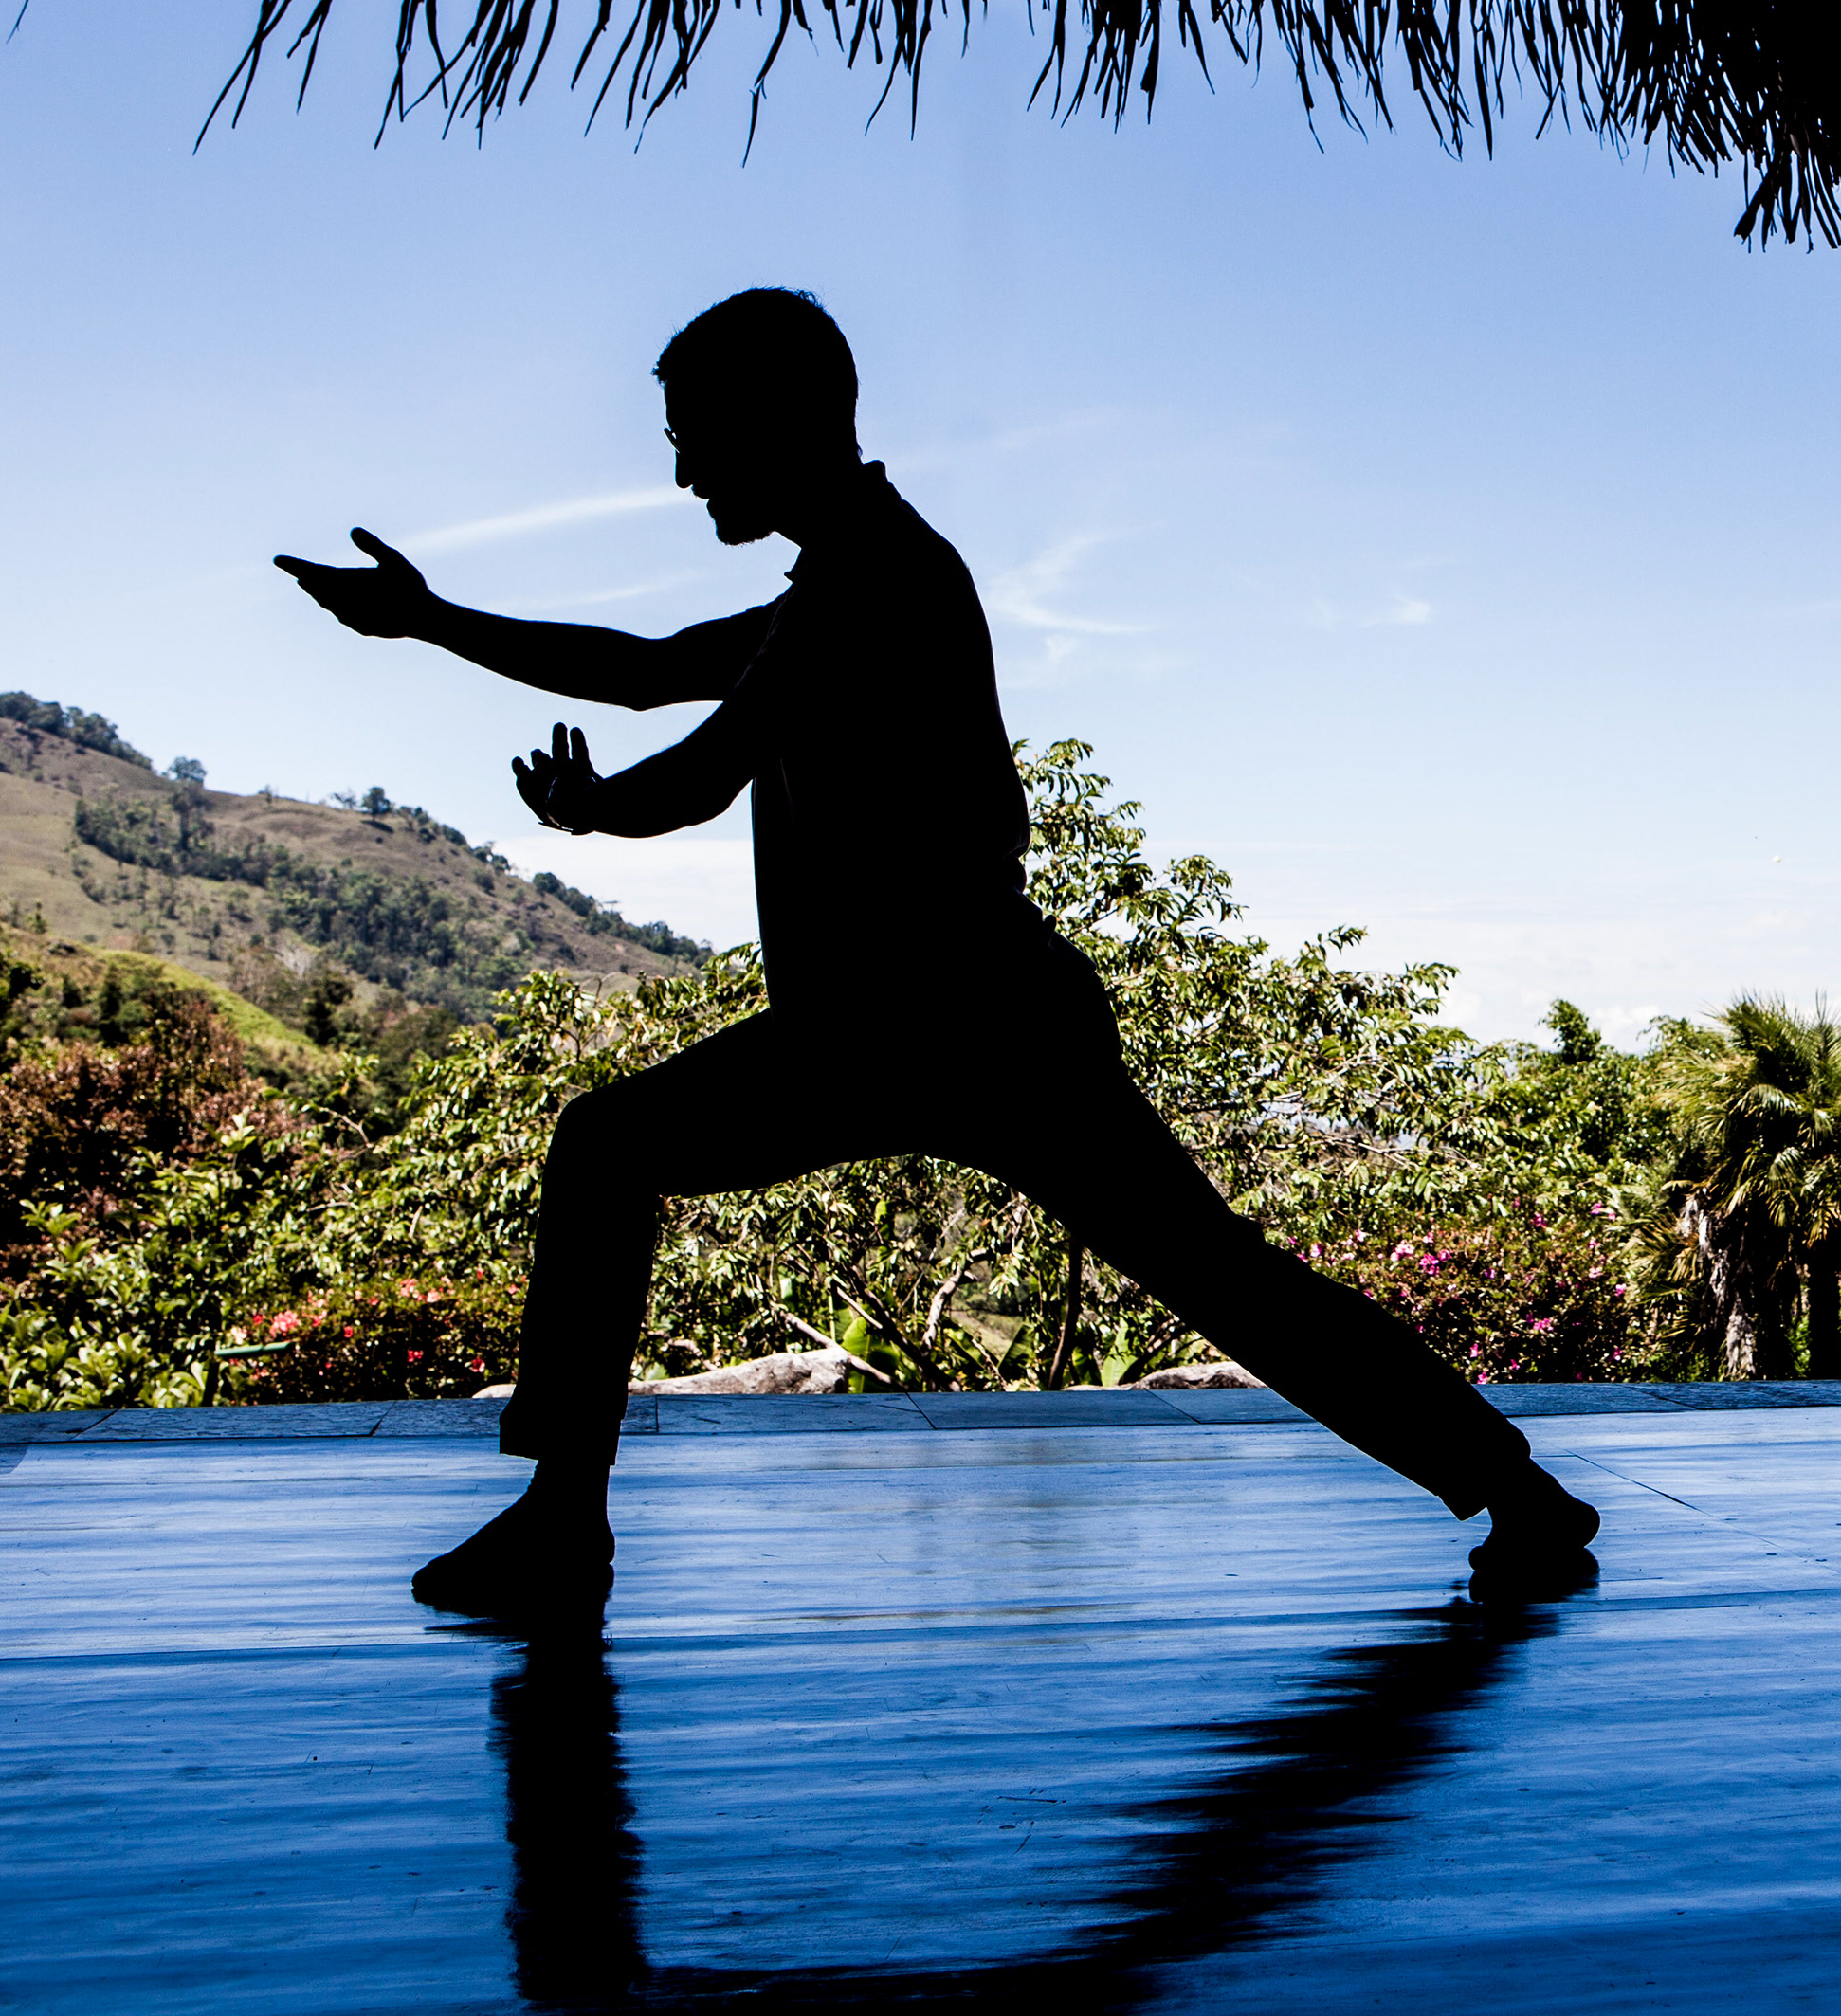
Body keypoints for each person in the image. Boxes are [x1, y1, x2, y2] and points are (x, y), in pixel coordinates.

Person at [277, 288, 1598, 1614]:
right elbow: (648, 668)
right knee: (1216, 1272)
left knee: (619, 1148)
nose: (681, 473)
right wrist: (433, 619)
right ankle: (1521, 1494)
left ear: (783, 420)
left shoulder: (872, 581)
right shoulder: (848, 575)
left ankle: (565, 1524)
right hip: (921, 1027)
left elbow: (697, 766)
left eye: (696, 437)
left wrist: (586, 803)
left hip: (953, 1025)